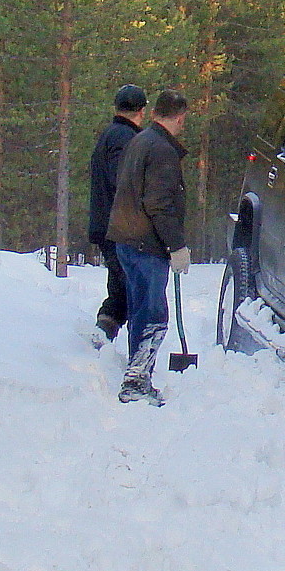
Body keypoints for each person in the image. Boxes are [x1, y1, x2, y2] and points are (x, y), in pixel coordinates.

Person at [106, 89, 191, 406]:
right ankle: (136, 381)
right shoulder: (161, 151)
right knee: (153, 314)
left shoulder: (140, 140)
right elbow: (158, 204)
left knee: (142, 308)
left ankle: (137, 373)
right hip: (145, 243)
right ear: (180, 117)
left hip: (128, 239)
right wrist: (177, 246)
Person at [88, 84, 147, 344]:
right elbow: (121, 181)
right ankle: (102, 335)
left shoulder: (110, 134)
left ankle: (104, 334)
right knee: (126, 288)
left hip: (108, 223)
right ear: (142, 111)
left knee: (120, 284)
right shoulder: (125, 139)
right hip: (117, 226)